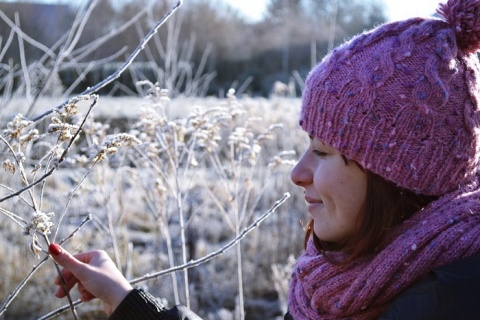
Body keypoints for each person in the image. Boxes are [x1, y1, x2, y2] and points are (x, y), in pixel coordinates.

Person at [50, 0, 480, 318]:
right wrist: (124, 299)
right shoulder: (359, 279)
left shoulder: (438, 305)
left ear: (398, 175)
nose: (298, 173)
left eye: (324, 151)